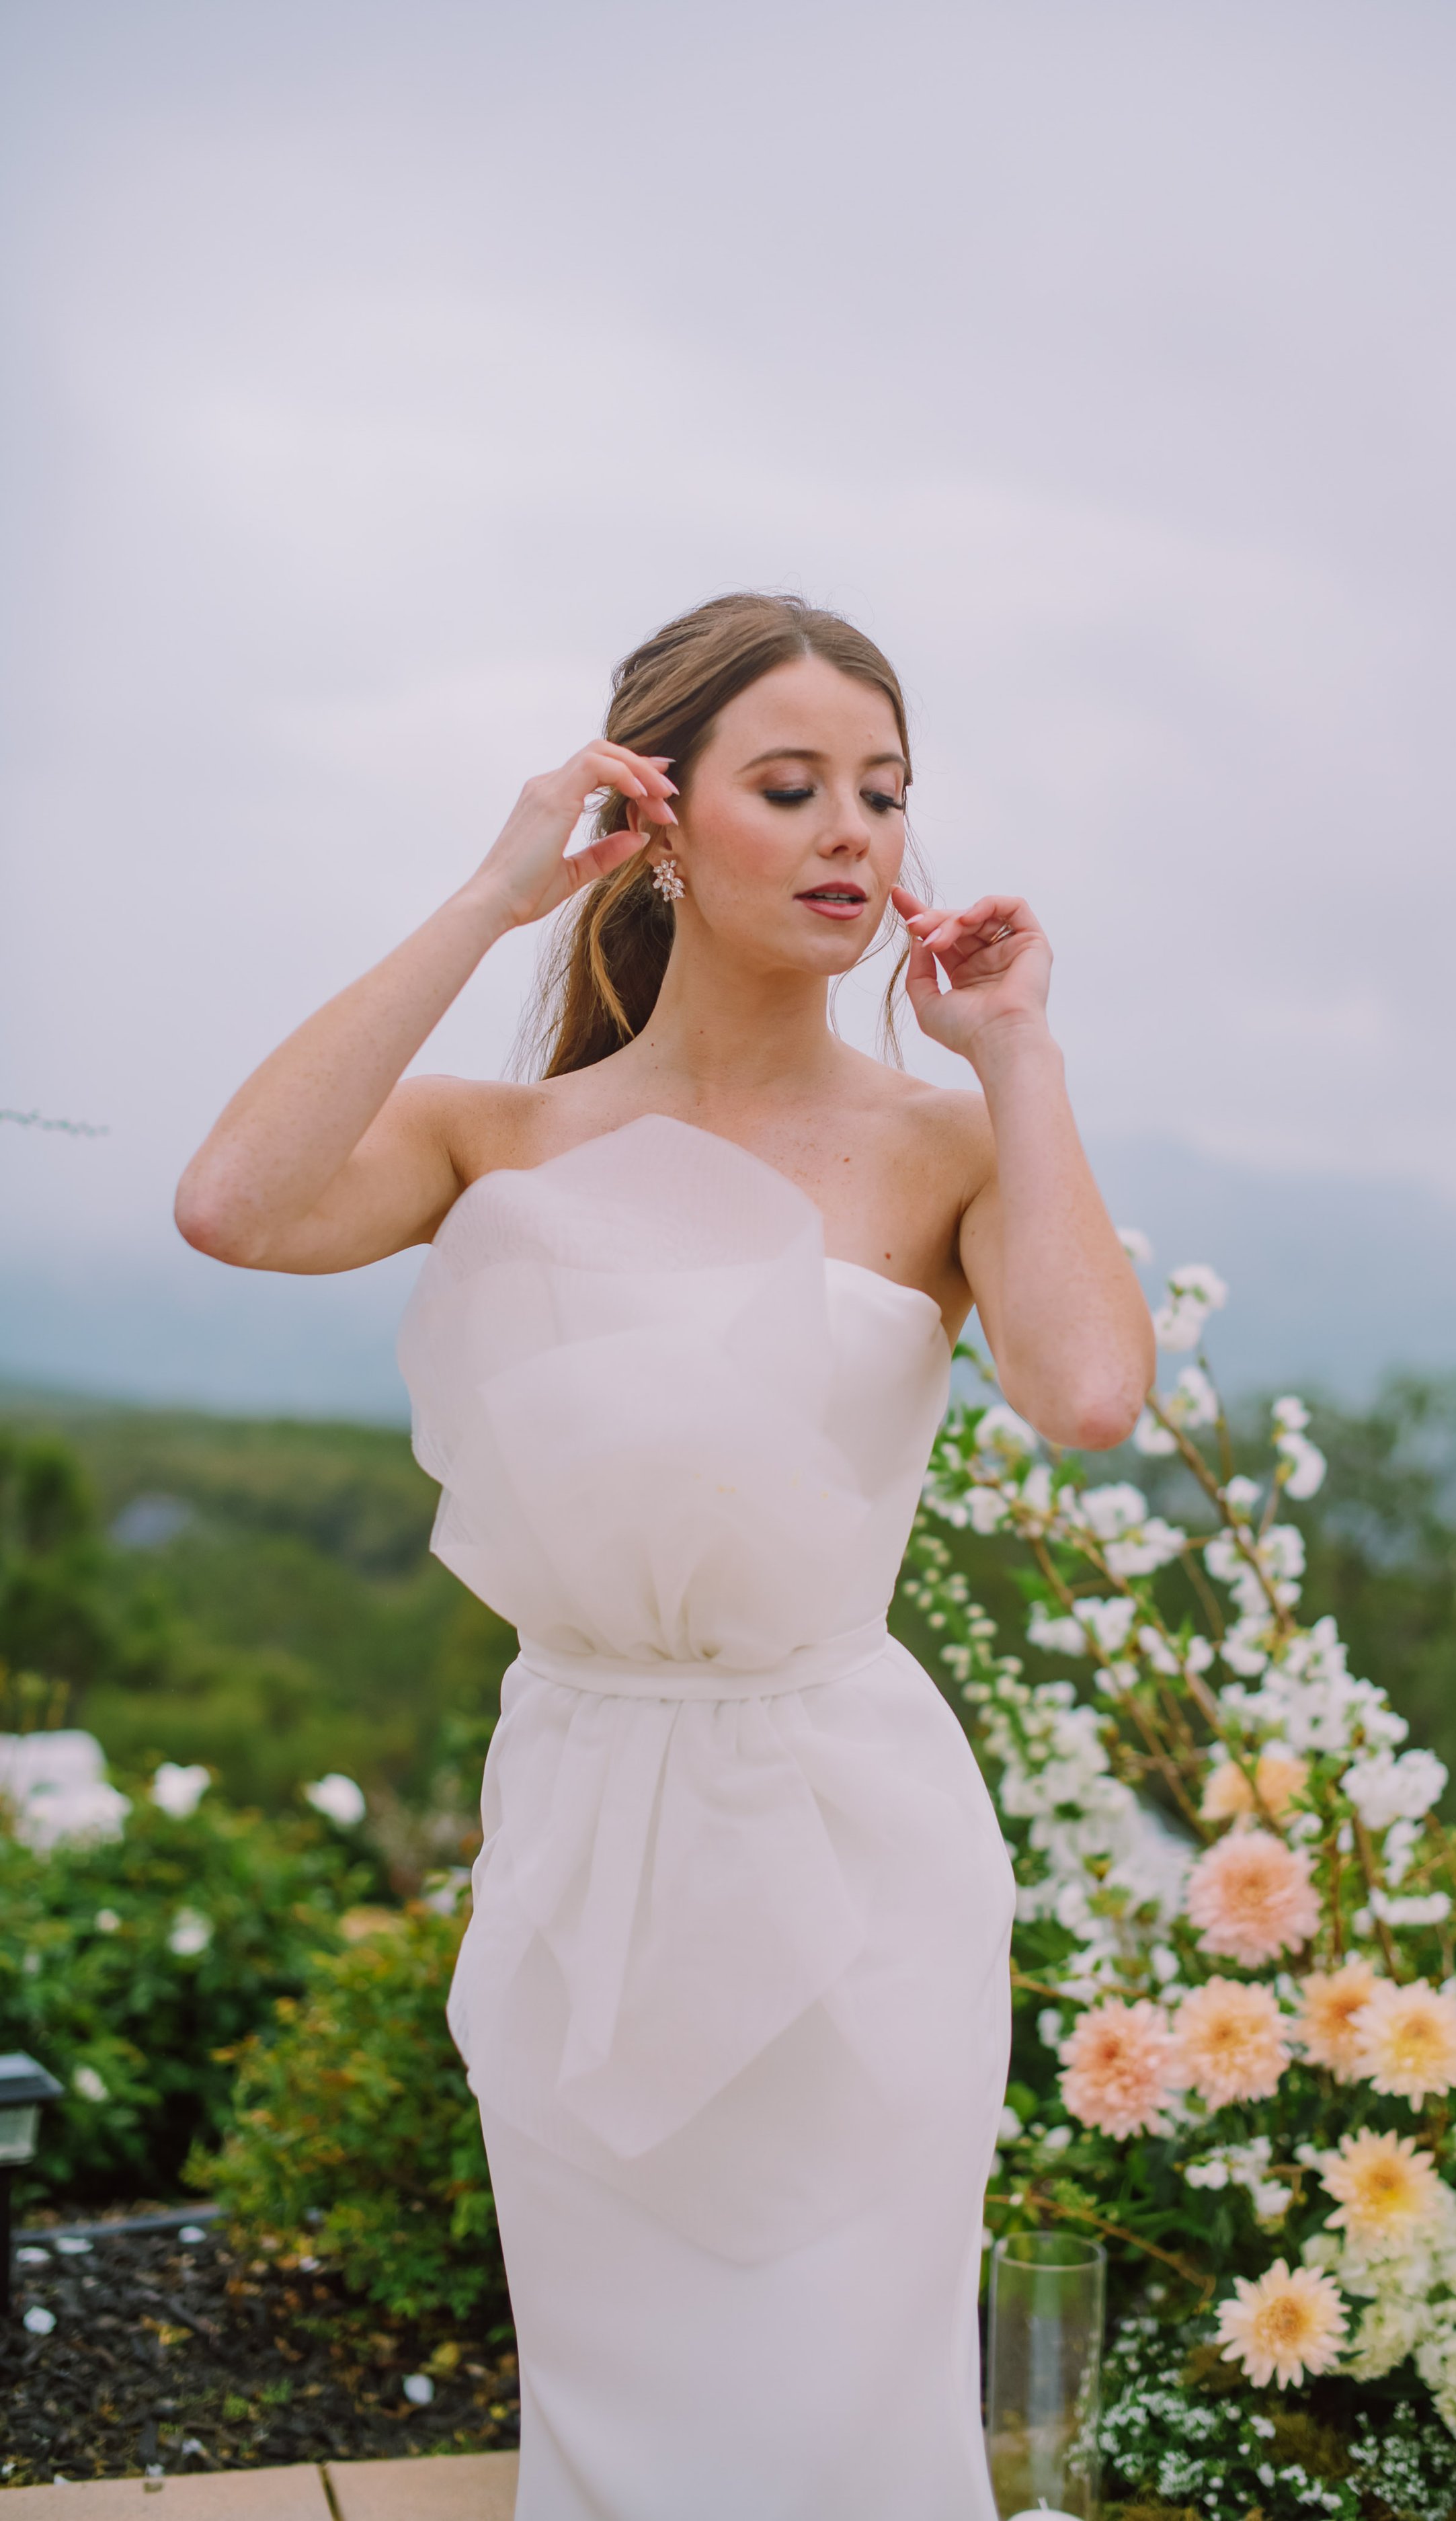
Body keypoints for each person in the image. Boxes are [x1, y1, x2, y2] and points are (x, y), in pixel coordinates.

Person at [177, 592, 1154, 2520]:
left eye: (882, 791)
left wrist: (1018, 1057)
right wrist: (491, 895)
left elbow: (1088, 1392)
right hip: (585, 1830)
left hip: (853, 1839)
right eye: (788, 787)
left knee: (852, 2407)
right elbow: (234, 1202)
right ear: (658, 819)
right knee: (625, 2421)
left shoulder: (943, 1141)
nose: (852, 833)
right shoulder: (500, 1131)